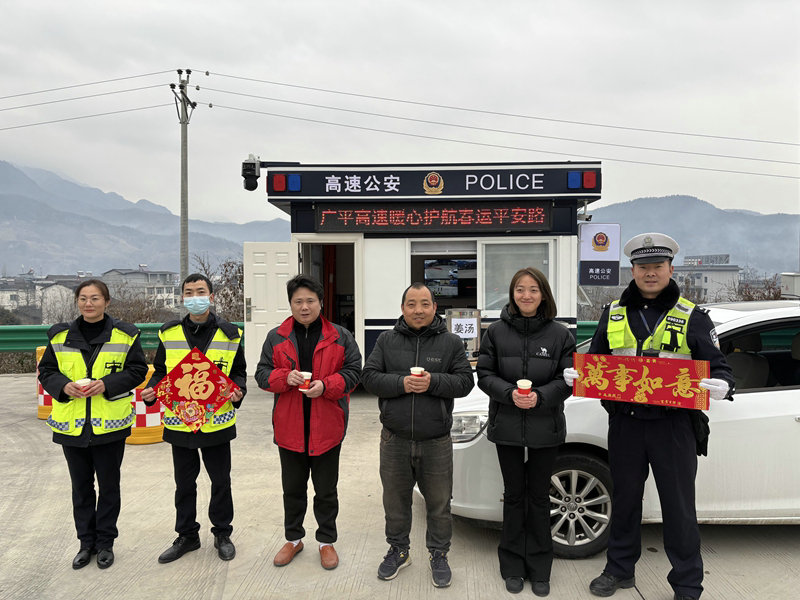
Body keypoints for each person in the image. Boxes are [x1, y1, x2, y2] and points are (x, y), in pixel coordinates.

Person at [564, 233, 734, 600]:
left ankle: (687, 583)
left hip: (674, 426)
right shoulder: (613, 313)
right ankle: (618, 569)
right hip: (625, 424)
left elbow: (719, 366)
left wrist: (722, 384)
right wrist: (578, 374)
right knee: (625, 501)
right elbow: (596, 361)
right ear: (633, 271)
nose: (650, 273)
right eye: (643, 267)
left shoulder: (692, 316)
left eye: (658, 266)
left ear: (671, 269)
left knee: (679, 507)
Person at [361, 282, 474, 588]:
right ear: (402, 309)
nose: (418, 310)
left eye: (425, 304)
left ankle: (439, 554)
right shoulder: (387, 340)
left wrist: (432, 382)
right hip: (394, 439)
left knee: (439, 503)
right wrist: (402, 384)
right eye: (411, 304)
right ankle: (399, 550)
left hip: (436, 440)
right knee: (395, 502)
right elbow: (369, 377)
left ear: (435, 308)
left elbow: (465, 382)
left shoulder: (451, 342)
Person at [476, 267, 575, 597]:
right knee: (514, 495)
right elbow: (485, 374)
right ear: (512, 294)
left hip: (546, 426)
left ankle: (540, 567)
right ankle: (512, 565)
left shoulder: (560, 335)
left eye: (533, 289)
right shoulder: (495, 332)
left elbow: (568, 381)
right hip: (506, 424)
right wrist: (509, 394)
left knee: (539, 497)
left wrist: (540, 397)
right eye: (520, 289)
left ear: (543, 294)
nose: (526, 295)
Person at [38, 279, 148, 570]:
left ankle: (106, 543)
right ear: (77, 302)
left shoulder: (125, 335)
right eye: (83, 298)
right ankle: (86, 543)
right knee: (81, 488)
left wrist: (107, 384)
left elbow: (137, 370)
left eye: (95, 298)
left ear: (107, 302)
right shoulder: (59, 336)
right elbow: (46, 371)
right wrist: (63, 386)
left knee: (109, 487)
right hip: (71, 426)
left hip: (109, 426)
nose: (89, 303)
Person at [254, 274, 362, 571]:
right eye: (298, 301)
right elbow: (261, 374)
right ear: (290, 304)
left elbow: (355, 372)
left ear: (321, 303)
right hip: (289, 428)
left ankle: (326, 542)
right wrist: (283, 377)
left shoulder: (340, 336)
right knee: (292, 489)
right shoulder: (276, 337)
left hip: (327, 428)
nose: (304, 307)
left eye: (310, 301)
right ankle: (293, 539)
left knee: (326, 490)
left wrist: (326, 386)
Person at [140, 273, 246, 564]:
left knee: (220, 481)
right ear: (182, 298)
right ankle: (187, 535)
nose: (195, 297)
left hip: (217, 422)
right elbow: (161, 371)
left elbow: (238, 372)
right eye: (189, 292)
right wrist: (153, 390)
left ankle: (222, 533)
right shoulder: (169, 333)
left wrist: (238, 390)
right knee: (184, 484)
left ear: (211, 297)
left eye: (201, 291)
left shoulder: (230, 334)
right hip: (180, 422)